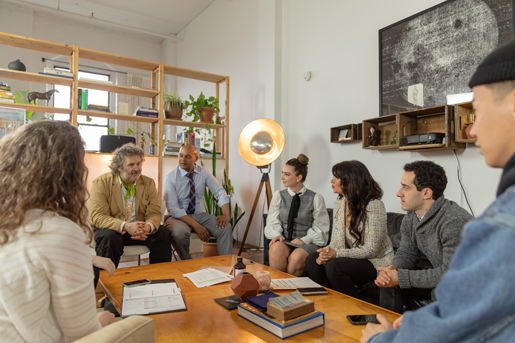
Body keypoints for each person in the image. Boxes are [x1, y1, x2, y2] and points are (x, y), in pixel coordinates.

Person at [361, 39, 515, 342]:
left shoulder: (498, 222)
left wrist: (381, 339)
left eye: (477, 111)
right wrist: (392, 272)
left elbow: (458, 325)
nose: (470, 130)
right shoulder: (411, 220)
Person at [0, 121, 116, 342]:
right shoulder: (59, 230)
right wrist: (102, 321)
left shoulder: (8, 216)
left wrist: (90, 257)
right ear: (68, 174)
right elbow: (83, 334)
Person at [375, 161, 472, 313]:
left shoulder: (454, 221)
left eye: (405, 187)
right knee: (388, 283)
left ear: (426, 193)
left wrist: (401, 277)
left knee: (440, 293)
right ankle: (386, 331)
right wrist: (391, 271)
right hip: (442, 279)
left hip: (465, 285)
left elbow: (451, 273)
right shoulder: (411, 217)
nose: (398, 193)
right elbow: (407, 253)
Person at [305, 161, 394, 297]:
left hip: (374, 261)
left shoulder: (374, 205)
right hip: (350, 259)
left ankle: (352, 308)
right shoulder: (339, 203)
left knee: (334, 266)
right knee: (312, 260)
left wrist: (335, 254)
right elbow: (335, 240)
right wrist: (327, 252)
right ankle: (329, 303)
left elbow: (371, 249)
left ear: (349, 180)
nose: (331, 181)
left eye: (336, 177)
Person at [90, 143, 171, 271]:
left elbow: (154, 212)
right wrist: (126, 226)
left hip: (139, 231)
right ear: (118, 167)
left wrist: (147, 227)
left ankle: (160, 277)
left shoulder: (148, 183)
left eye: (139, 164)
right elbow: (98, 217)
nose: (137, 168)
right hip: (114, 230)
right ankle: (106, 282)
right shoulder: (101, 183)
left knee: (163, 233)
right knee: (108, 237)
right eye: (131, 165)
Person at [264, 154, 330, 276]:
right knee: (275, 250)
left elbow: (321, 228)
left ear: (299, 177)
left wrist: (305, 240)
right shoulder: (279, 195)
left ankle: (293, 291)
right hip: (285, 240)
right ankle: (279, 289)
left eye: (287, 174)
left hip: (308, 243)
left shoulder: (316, 198)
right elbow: (273, 221)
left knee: (296, 259)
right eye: (282, 173)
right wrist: (277, 234)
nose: (281, 177)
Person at [163, 144, 232, 259]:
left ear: (196, 159)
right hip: (176, 217)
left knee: (225, 227)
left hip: (198, 215)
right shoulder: (170, 177)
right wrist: (196, 226)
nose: (182, 160)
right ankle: (187, 264)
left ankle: (226, 264)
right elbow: (174, 210)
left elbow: (220, 191)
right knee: (180, 233)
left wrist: (226, 215)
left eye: (188, 157)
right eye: (180, 156)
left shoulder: (203, 172)